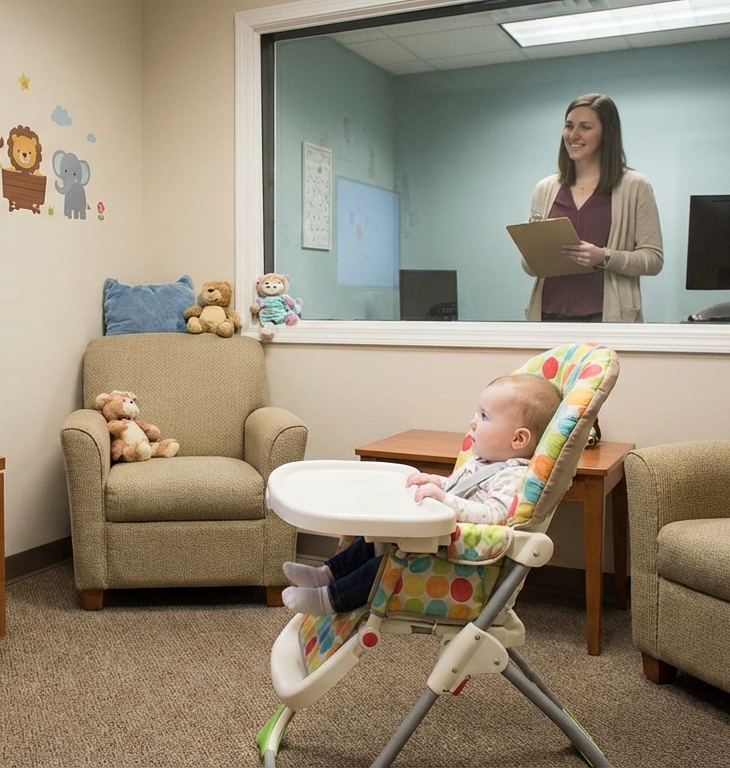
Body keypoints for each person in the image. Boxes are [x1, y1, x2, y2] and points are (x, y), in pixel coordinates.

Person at [281, 374, 561, 616]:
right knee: (373, 539)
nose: (472, 422)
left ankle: (330, 598)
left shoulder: (511, 475)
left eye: (484, 416)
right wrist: (435, 481)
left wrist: (445, 501)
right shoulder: (485, 462)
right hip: (433, 538)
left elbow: (496, 516)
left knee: (386, 563)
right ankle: (325, 575)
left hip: (455, 557)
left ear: (519, 439)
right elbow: (457, 487)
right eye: (477, 413)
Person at [523, 93, 663, 323]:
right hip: (547, 315)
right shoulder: (544, 188)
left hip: (606, 318)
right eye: (569, 126)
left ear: (606, 134)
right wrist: (534, 255)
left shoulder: (635, 186)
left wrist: (604, 257)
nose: (573, 135)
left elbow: (653, 258)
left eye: (585, 127)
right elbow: (530, 266)